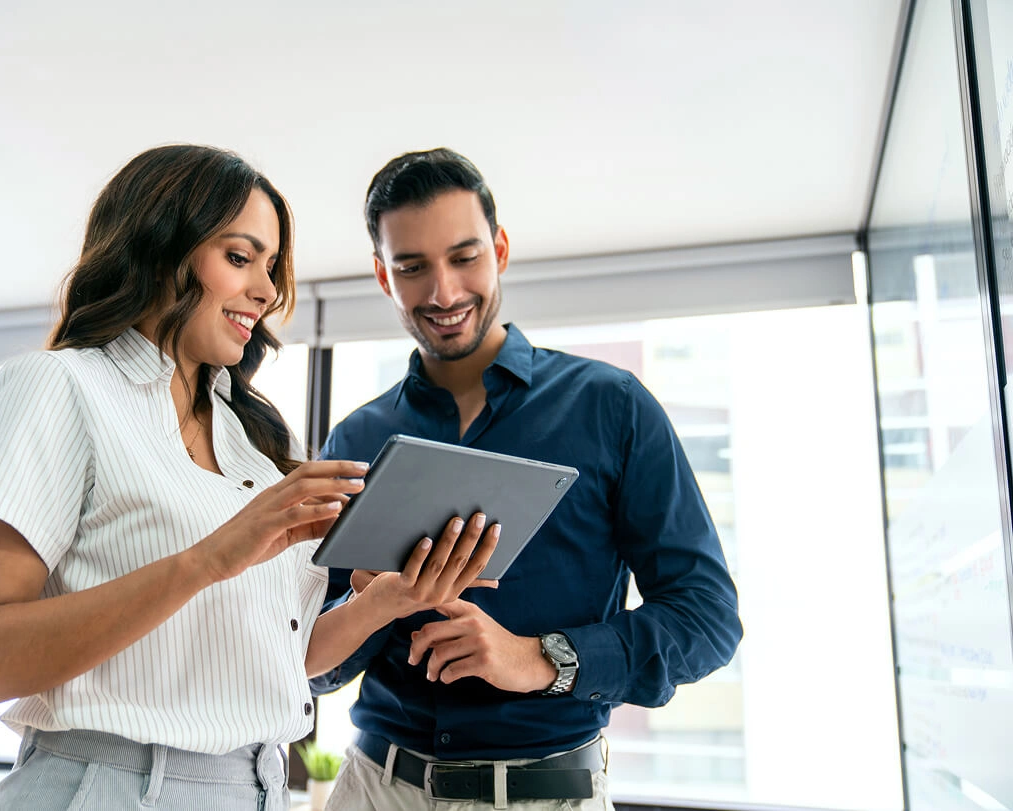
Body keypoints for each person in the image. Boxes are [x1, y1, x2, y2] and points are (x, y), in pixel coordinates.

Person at [0, 144, 499, 811]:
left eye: (270, 265)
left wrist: (383, 602)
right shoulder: (58, 387)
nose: (266, 290)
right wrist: (207, 560)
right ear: (159, 249)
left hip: (255, 786)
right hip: (111, 787)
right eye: (238, 256)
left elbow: (267, 661)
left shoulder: (259, 438)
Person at [311, 148, 744, 810]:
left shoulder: (612, 407)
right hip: (374, 788)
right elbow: (310, 661)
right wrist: (376, 603)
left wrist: (540, 657)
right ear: (382, 275)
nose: (444, 292)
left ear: (501, 248)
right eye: (412, 267)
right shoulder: (356, 441)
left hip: (546, 794)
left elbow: (707, 619)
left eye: (464, 257)